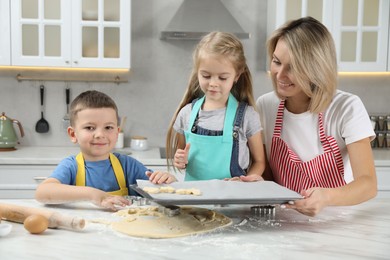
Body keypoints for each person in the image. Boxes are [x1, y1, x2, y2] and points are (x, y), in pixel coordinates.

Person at [256, 17, 377, 216]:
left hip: (336, 223)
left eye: (293, 67)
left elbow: (368, 184)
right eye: (277, 62)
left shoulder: (346, 107)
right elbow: (268, 176)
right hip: (283, 223)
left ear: (316, 69)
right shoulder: (265, 106)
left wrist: (326, 197)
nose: (279, 75)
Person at [35, 90, 176, 211]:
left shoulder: (128, 166)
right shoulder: (71, 166)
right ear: (73, 134)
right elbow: (42, 193)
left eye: (108, 127)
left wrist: (168, 181)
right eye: (90, 127)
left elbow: (163, 193)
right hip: (82, 235)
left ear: (117, 132)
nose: (100, 134)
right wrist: (94, 195)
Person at [166, 31, 265, 181]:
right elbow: (182, 160)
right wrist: (180, 161)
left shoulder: (247, 116)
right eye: (206, 76)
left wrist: (246, 182)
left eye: (222, 77)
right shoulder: (186, 114)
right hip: (195, 201)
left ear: (236, 76)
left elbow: (259, 162)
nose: (213, 83)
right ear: (197, 72)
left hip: (234, 201)